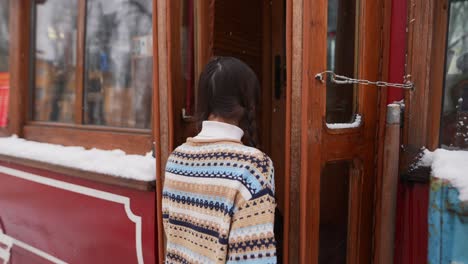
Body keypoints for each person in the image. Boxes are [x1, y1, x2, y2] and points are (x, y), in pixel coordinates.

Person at [162, 57, 277, 263]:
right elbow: (252, 258)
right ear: (247, 102)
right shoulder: (253, 167)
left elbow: (174, 240)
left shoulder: (176, 158)